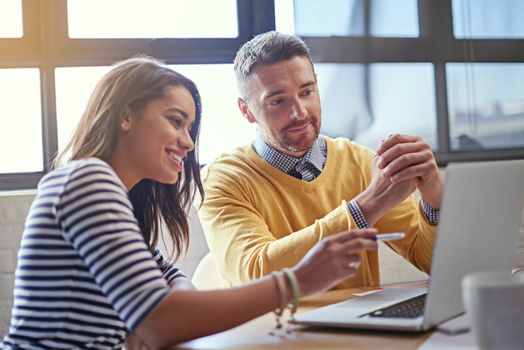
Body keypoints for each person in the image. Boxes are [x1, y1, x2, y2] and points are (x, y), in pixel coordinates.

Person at [0, 56, 379, 350]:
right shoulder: (88, 180)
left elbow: (172, 284)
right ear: (126, 116)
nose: (188, 142)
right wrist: (297, 282)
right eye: (175, 121)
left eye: (190, 128)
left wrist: (157, 316)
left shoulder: (115, 198)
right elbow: (162, 320)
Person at [198, 31, 444, 289]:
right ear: (246, 110)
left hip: (359, 328)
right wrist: (367, 206)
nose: (300, 112)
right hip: (270, 329)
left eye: (306, 92)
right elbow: (256, 273)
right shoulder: (222, 180)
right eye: (278, 101)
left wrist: (434, 199)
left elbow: (430, 262)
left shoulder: (359, 161)